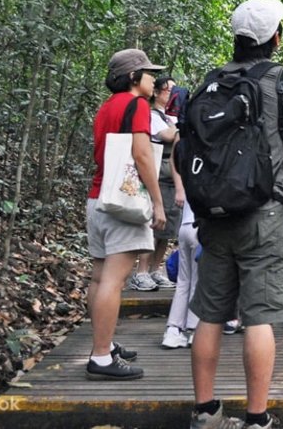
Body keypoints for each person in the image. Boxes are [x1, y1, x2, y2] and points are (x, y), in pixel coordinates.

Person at [188, 0, 283, 429]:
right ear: (275, 38)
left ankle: (205, 413)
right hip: (265, 213)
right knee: (260, 317)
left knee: (210, 314)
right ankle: (256, 417)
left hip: (214, 214)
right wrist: (277, 166)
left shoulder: (212, 81)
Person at [84, 48, 167, 380]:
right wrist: (157, 202)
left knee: (99, 277)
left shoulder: (106, 106)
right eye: (149, 74)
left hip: (97, 198)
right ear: (134, 77)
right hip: (125, 202)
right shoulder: (137, 105)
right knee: (114, 281)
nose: (153, 80)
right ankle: (101, 357)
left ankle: (102, 344)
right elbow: (142, 154)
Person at [128, 76, 182, 291]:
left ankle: (155, 269)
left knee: (168, 229)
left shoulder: (173, 117)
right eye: (169, 91)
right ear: (157, 93)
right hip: (158, 176)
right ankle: (141, 271)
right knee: (154, 225)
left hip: (173, 179)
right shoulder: (153, 115)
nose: (173, 95)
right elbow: (166, 135)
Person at [161, 199, 198, 349]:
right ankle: (195, 330)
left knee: (183, 281)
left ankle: (173, 330)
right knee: (198, 281)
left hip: (185, 226)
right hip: (201, 227)